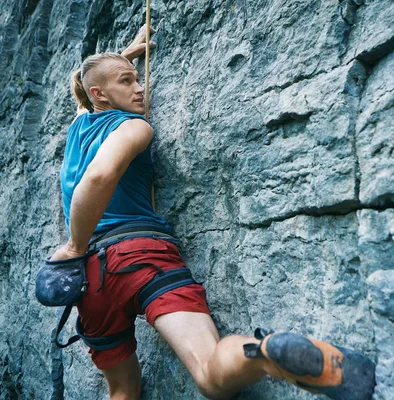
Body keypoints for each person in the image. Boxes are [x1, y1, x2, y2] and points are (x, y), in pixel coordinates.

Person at [49, 25, 376, 400]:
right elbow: (100, 175)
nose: (141, 88)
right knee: (208, 369)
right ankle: (266, 356)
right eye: (129, 81)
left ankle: (277, 356)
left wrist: (128, 55)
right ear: (100, 93)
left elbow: (91, 91)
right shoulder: (133, 127)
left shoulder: (77, 126)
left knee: (121, 390)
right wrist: (73, 243)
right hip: (141, 256)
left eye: (138, 79)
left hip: (89, 280)